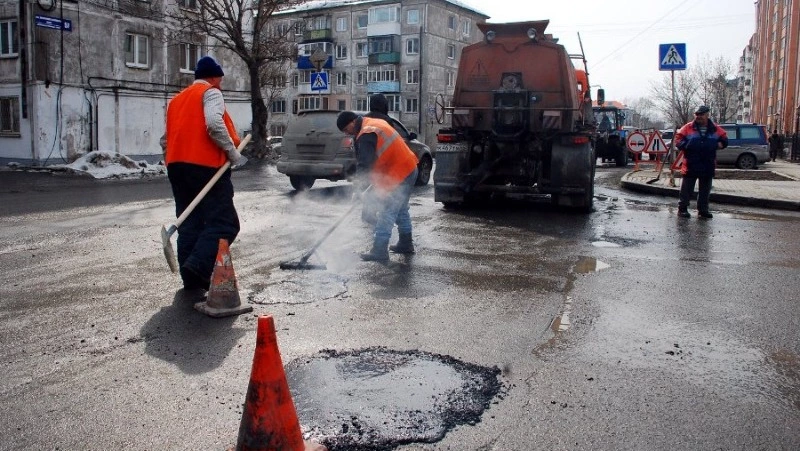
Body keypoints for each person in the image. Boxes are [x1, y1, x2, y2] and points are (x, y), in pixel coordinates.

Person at [161, 56, 244, 291]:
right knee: (225, 223)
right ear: (215, 77)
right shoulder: (211, 93)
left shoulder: (176, 101)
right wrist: (232, 153)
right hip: (207, 167)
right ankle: (197, 266)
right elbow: (214, 125)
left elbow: (164, 140)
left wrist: (174, 162)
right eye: (220, 79)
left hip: (177, 168)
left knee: (190, 223)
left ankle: (191, 279)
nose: (221, 84)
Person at [336, 111, 419, 262]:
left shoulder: (367, 133)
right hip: (408, 167)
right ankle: (406, 243)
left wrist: (359, 190)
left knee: (388, 210)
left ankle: (379, 250)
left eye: (345, 129)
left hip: (400, 171)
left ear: (352, 121)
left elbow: (365, 165)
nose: (346, 133)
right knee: (400, 208)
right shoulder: (371, 123)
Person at [674, 105, 728, 219]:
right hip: (691, 163)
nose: (699, 117)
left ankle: (703, 210)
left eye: (701, 115)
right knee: (687, 189)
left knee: (705, 190)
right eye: (697, 114)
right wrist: (687, 146)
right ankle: (682, 209)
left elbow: (724, 139)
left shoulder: (714, 128)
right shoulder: (688, 127)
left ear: (707, 115)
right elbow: (678, 140)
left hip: (707, 163)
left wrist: (719, 145)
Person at [359, 93, 392, 225]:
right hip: (381, 162)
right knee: (380, 191)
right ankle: (375, 217)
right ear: (384, 105)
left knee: (368, 187)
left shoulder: (364, 119)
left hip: (366, 159)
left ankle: (367, 213)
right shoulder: (386, 120)